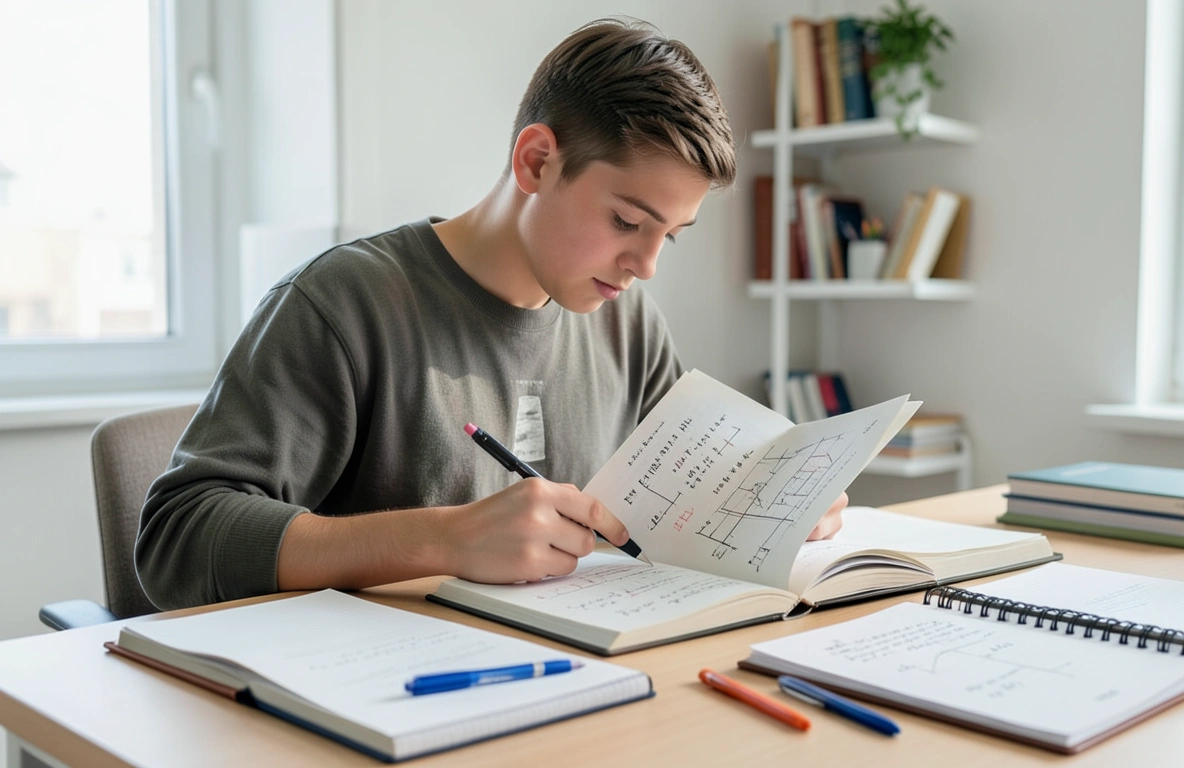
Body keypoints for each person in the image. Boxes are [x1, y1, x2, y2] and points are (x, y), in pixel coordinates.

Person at [135, 18, 846, 611]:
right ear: (536, 161)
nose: (647, 265)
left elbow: (678, 508)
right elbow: (176, 539)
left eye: (671, 236)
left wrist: (775, 502)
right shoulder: (344, 304)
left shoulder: (628, 325)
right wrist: (446, 539)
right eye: (629, 221)